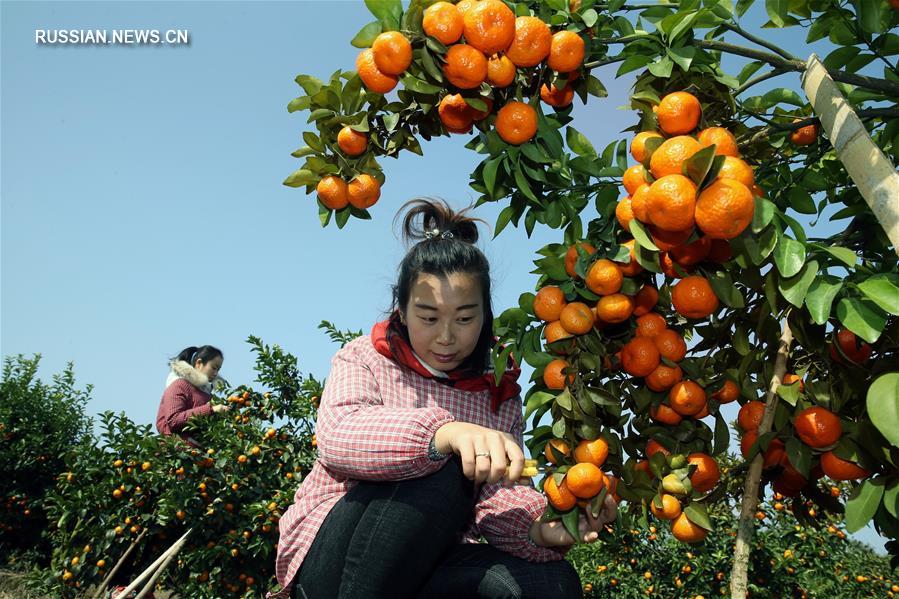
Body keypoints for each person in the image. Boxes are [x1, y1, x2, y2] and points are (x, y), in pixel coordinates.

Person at [272, 199, 617, 599]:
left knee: (549, 584)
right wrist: (444, 434)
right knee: (443, 468)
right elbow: (339, 437)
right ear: (401, 311)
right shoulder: (364, 356)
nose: (446, 337)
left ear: (485, 315)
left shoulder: (497, 393)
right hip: (334, 558)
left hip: (432, 562)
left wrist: (539, 528)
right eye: (429, 317)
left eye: (465, 318)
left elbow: (498, 495)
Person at [155, 345, 229, 443]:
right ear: (199, 363)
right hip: (176, 451)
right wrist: (211, 409)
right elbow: (174, 420)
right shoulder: (180, 385)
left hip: (199, 454)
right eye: (213, 368)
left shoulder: (207, 393)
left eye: (218, 370)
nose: (215, 373)